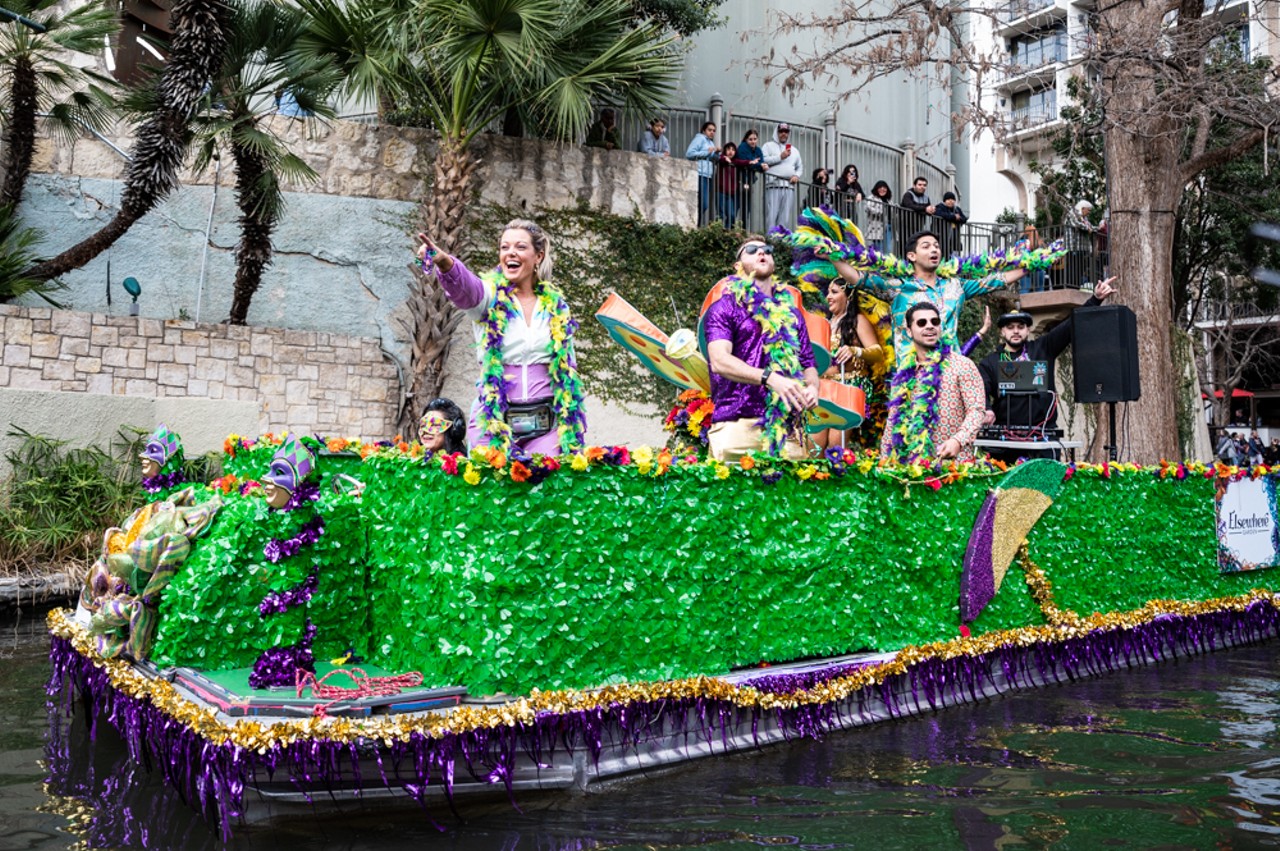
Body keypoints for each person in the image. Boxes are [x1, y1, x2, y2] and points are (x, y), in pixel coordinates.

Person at [415, 220, 587, 456]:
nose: (510, 253)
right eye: (504, 247)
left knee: (543, 487)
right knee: (490, 489)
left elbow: (569, 369)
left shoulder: (556, 307)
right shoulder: (490, 297)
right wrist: (445, 263)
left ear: (538, 256)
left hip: (546, 425)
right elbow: (467, 288)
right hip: (494, 420)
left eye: (520, 247)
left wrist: (572, 423)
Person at [703, 236, 820, 462]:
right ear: (737, 266)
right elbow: (719, 361)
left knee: (794, 497)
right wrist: (769, 378)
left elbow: (808, 364)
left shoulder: (792, 314)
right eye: (752, 250)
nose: (761, 252)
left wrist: (813, 388)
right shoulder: (724, 308)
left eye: (766, 249)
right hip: (737, 426)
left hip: (785, 429)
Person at [978, 278, 1116, 462]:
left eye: (1021, 327)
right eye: (1010, 328)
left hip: (1043, 437)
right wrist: (986, 409)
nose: (1016, 331)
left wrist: (1095, 299)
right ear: (1002, 332)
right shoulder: (990, 362)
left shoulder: (1043, 348)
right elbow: (980, 391)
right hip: (1006, 443)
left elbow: (1070, 325)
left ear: (1028, 330)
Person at [828, 229, 1028, 355]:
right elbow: (857, 278)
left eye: (937, 246)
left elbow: (995, 281)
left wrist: (1031, 265)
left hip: (951, 371)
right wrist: (831, 255)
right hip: (912, 377)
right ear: (911, 256)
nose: (934, 250)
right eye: (926, 246)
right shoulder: (897, 288)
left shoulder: (956, 286)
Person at [880, 301, 986, 464]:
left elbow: (977, 410)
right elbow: (893, 420)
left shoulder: (962, 365)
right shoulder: (904, 373)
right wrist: (885, 459)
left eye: (934, 322)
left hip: (954, 469)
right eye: (922, 322)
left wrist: (958, 440)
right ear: (909, 331)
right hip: (913, 468)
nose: (930, 326)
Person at [815, 277, 885, 449]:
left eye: (834, 292)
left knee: (835, 446)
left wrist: (856, 351)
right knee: (814, 444)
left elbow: (878, 353)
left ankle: (837, 474)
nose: (828, 297)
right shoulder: (825, 324)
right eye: (828, 292)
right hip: (822, 388)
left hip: (847, 387)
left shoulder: (858, 320)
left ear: (848, 296)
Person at [762, 122, 802, 233]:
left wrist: (796, 175)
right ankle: (770, 242)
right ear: (777, 132)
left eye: (786, 132)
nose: (783, 134)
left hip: (789, 187)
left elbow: (800, 167)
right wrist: (780, 157)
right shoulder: (768, 146)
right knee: (771, 216)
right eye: (781, 131)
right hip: (773, 185)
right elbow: (763, 160)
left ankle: (781, 244)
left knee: (785, 218)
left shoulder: (795, 150)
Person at [686, 121, 718, 227]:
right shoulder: (700, 138)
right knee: (702, 203)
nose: (712, 132)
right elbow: (689, 154)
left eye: (714, 131)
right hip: (699, 173)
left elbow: (712, 157)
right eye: (710, 130)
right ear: (704, 130)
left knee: (703, 204)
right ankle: (695, 224)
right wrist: (708, 152)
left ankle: (696, 225)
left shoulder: (711, 143)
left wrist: (716, 153)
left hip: (707, 175)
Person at [736, 129, 768, 228]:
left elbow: (761, 163)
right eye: (750, 139)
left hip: (749, 180)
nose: (753, 141)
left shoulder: (758, 150)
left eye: (755, 139)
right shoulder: (742, 147)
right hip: (740, 179)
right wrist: (756, 163)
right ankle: (734, 228)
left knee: (747, 207)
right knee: (738, 205)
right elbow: (747, 162)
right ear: (746, 139)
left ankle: (744, 229)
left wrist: (760, 165)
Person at [1065, 199, 1097, 287]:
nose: (1089, 212)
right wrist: (1088, 228)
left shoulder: (1084, 218)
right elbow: (1076, 224)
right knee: (1073, 267)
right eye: (1088, 210)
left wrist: (1098, 229)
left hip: (1082, 248)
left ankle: (1076, 285)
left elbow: (1090, 226)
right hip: (1073, 247)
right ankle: (1071, 286)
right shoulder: (1072, 213)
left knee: (1080, 268)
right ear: (1082, 208)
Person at [933, 191, 967, 257]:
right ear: (944, 201)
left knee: (954, 250)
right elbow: (939, 214)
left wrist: (958, 218)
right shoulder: (940, 207)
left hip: (954, 234)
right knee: (943, 249)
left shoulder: (957, 209)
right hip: (942, 233)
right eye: (948, 199)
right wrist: (953, 217)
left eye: (953, 200)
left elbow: (964, 219)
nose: (951, 201)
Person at [717, 141, 743, 228]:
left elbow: (743, 162)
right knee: (721, 214)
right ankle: (719, 232)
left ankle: (728, 232)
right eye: (728, 149)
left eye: (733, 149)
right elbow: (720, 158)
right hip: (721, 192)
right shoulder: (722, 159)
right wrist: (725, 159)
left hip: (731, 194)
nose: (731, 151)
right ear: (725, 151)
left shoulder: (735, 162)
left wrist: (751, 162)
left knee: (732, 215)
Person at [865, 180, 893, 253]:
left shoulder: (888, 200)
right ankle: (879, 263)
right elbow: (868, 208)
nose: (882, 190)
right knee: (879, 248)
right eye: (880, 188)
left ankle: (886, 263)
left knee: (888, 247)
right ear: (876, 189)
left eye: (884, 188)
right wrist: (882, 212)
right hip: (877, 226)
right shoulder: (872, 197)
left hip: (889, 225)